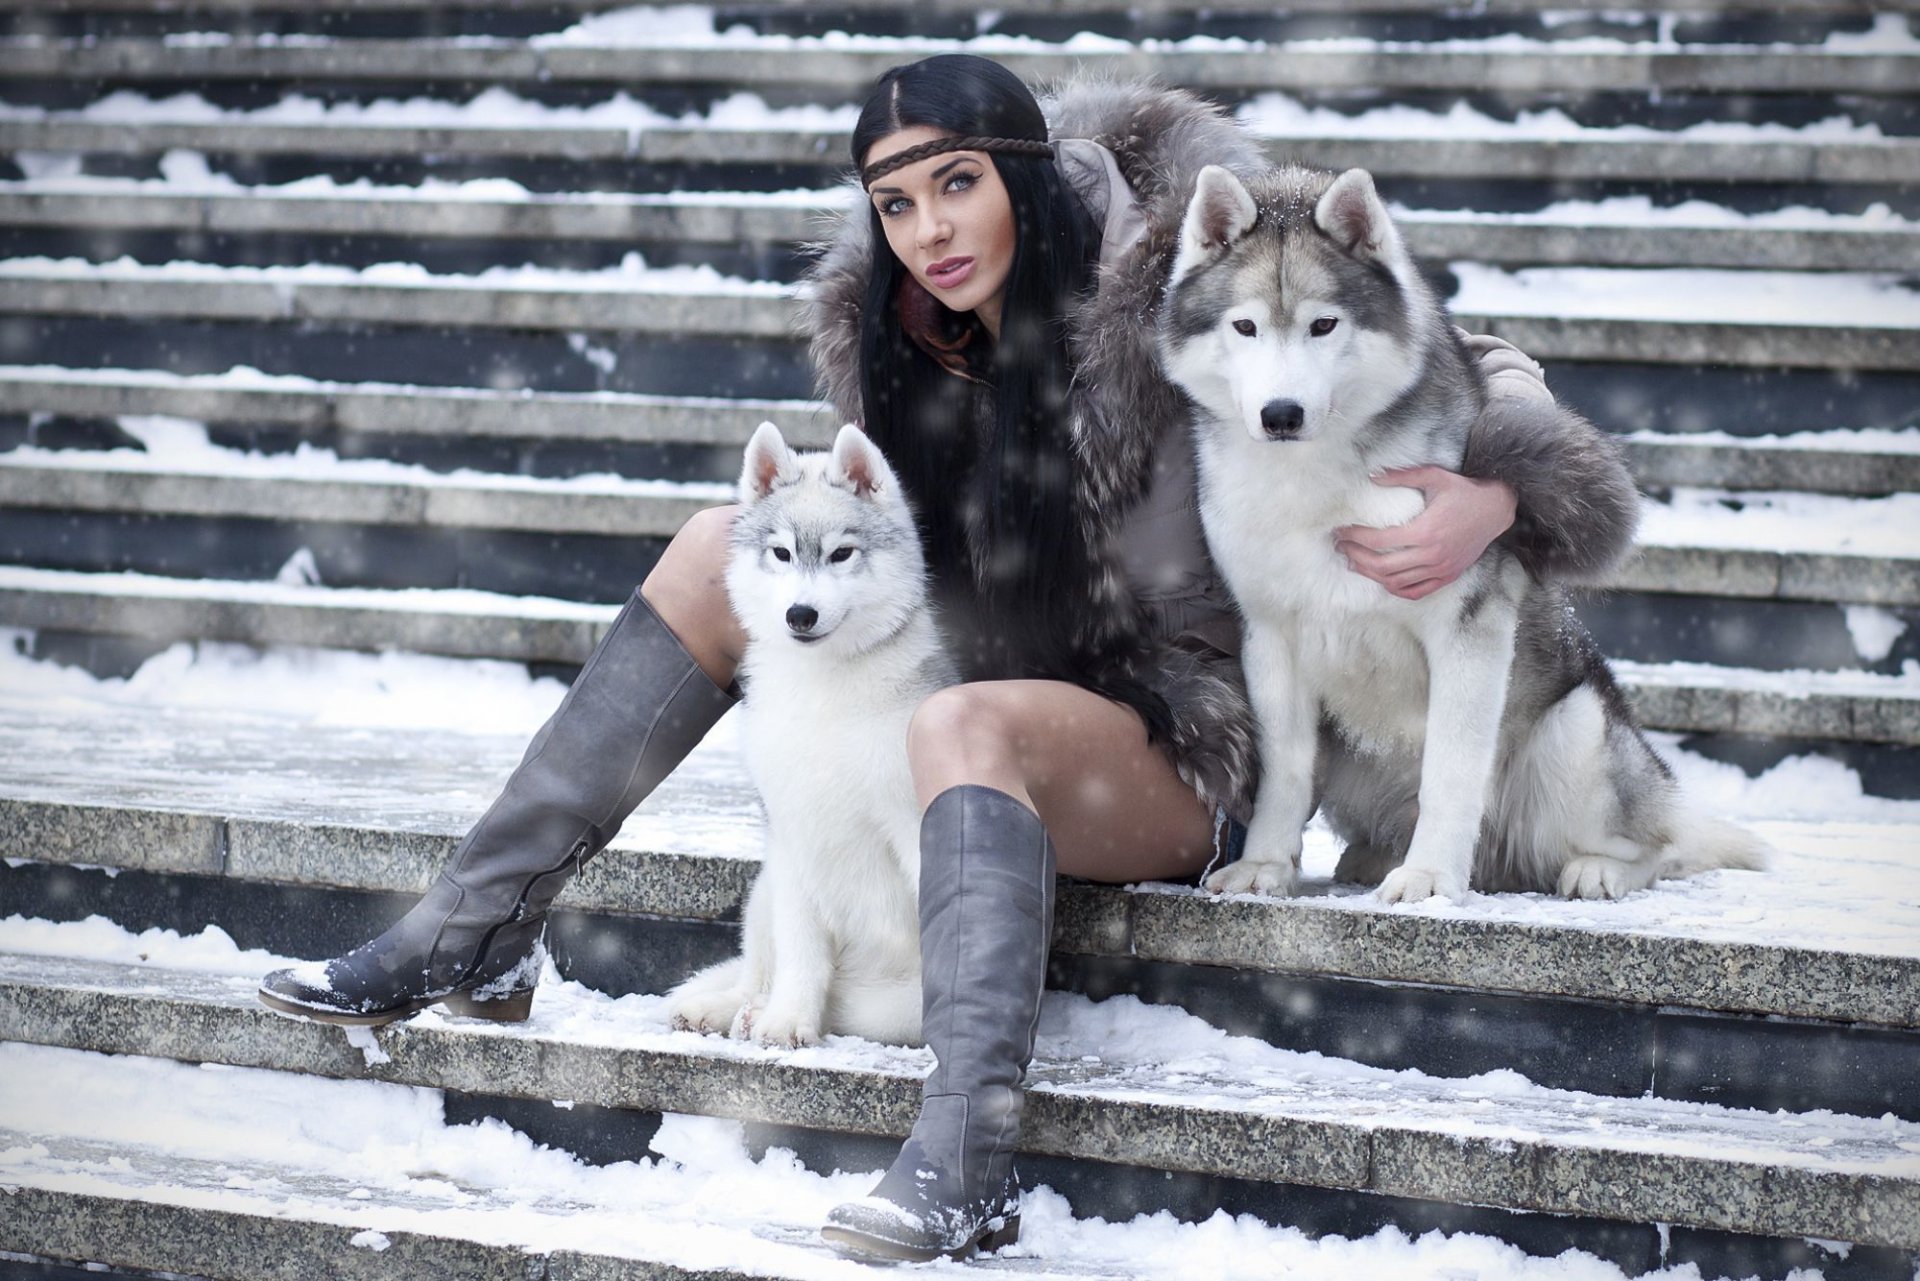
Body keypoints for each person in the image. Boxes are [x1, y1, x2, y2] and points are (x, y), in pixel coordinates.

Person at [258, 55, 1638, 1264]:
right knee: (709, 543)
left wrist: (1499, 487)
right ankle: (481, 921)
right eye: (895, 202)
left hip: (1172, 742)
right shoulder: (898, 336)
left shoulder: (1180, 256)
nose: (927, 230)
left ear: (1021, 170)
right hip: (964, 710)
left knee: (965, 723)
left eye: (955, 184)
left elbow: (1473, 343)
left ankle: (968, 1156)